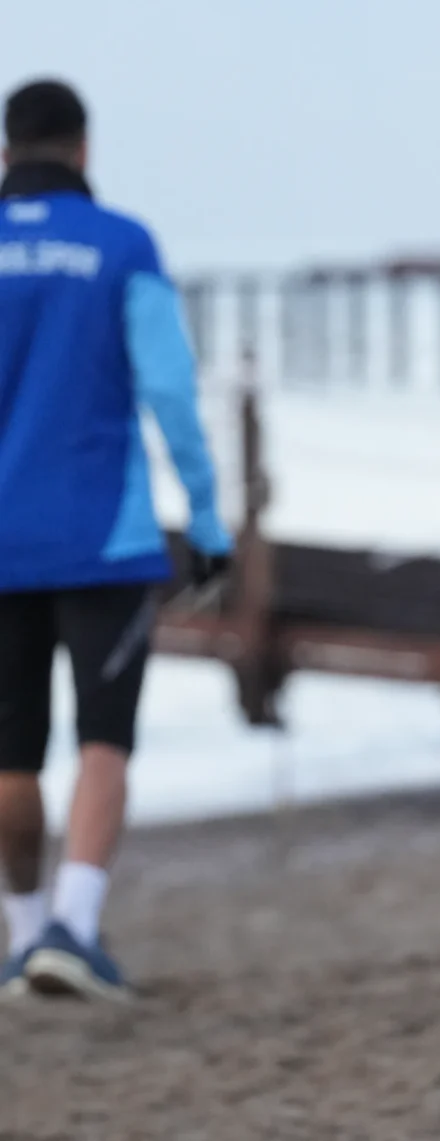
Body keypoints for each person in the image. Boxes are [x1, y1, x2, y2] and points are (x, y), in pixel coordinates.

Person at [0, 79, 231, 999]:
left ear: (7, 151)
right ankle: (74, 925)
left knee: (10, 755)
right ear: (84, 149)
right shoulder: (122, 245)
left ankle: (23, 937)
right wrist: (207, 521)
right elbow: (170, 391)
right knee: (104, 740)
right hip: (104, 537)